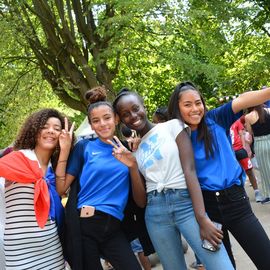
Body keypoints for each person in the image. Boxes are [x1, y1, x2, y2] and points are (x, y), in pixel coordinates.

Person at [113, 89, 234, 270]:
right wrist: (132, 166)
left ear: (143, 105)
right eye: (125, 114)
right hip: (155, 213)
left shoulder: (172, 126)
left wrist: (202, 218)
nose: (133, 115)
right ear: (121, 120)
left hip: (186, 205)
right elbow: (141, 201)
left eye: (135, 108)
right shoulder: (136, 152)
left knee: (221, 266)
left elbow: (190, 170)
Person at [168, 81, 270, 270]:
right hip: (207, 208)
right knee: (224, 266)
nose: (195, 109)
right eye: (187, 104)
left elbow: (243, 100)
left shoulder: (215, 119)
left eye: (198, 103)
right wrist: (201, 219)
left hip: (236, 202)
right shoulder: (176, 135)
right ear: (177, 107)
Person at [55, 86, 143, 270]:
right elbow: (61, 189)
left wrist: (133, 163)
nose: (102, 124)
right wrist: (64, 149)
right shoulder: (84, 148)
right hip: (86, 224)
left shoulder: (129, 149)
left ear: (116, 119)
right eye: (96, 121)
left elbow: (140, 199)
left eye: (107, 118)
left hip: (114, 227)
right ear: (91, 124)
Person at [0, 108, 74, 270]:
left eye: (56, 128)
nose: (51, 131)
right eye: (45, 126)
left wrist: (65, 149)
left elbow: (60, 191)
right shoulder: (18, 158)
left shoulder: (53, 170)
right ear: (34, 130)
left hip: (51, 245)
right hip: (19, 248)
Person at [230, 116, 263, 202]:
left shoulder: (236, 121)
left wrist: (244, 147)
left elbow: (241, 134)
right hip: (230, 152)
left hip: (240, 150)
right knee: (236, 174)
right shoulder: (222, 123)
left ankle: (257, 192)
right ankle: (242, 194)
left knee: (249, 171)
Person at [245, 104, 270, 204]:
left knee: (265, 171)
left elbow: (250, 132)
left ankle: (268, 194)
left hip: (260, 143)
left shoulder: (248, 116)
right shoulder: (268, 110)